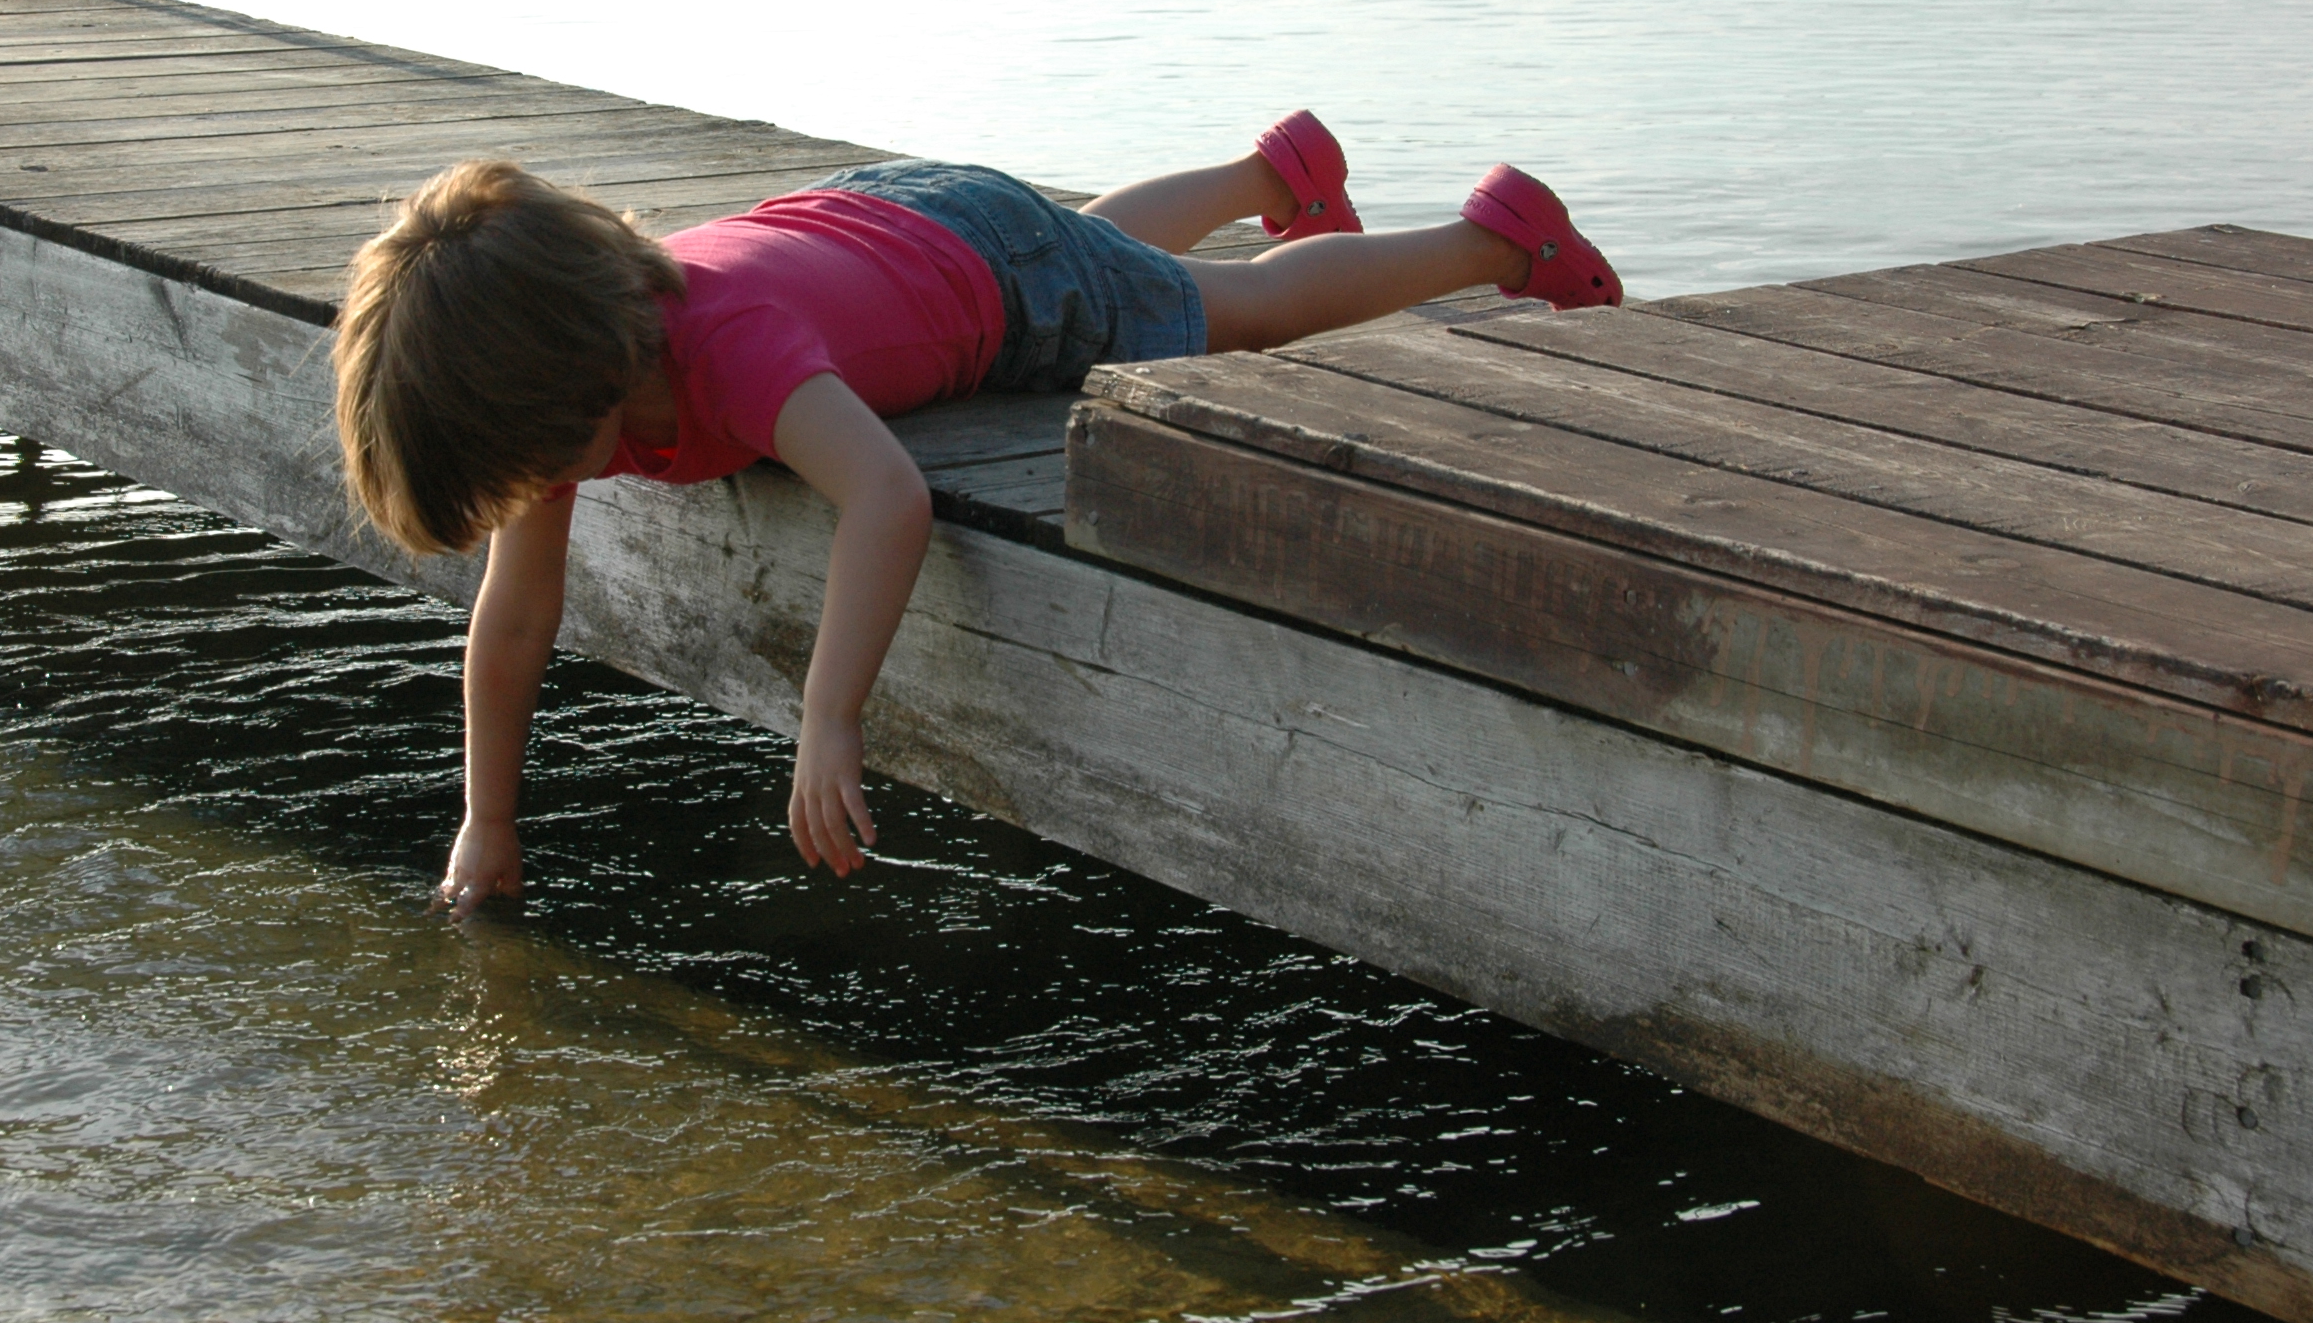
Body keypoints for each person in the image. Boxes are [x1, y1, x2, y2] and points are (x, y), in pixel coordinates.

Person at [329, 111, 1622, 917]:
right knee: (1099, 257)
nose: (533, 495)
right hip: (919, 223)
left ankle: (1497, 240)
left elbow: (885, 499)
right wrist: (487, 817)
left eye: (530, 471)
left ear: (585, 382)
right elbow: (514, 617)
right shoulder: (578, 377)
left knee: (1235, 314)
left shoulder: (731, 352)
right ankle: (1270, 169)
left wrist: (829, 716)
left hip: (992, 279)